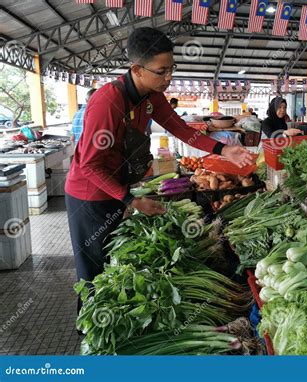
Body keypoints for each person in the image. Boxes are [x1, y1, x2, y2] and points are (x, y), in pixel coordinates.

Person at [65, 27, 254, 305]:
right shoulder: (107, 102)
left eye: (171, 69)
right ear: (137, 69)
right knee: (93, 273)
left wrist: (223, 148)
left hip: (116, 190)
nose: (169, 77)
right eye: (161, 71)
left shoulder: (151, 96)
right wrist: (130, 200)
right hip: (89, 198)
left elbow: (178, 128)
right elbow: (90, 166)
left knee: (113, 266)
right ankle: (87, 331)